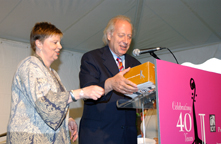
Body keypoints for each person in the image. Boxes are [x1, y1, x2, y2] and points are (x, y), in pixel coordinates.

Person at [6, 22, 104, 144]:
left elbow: (53, 108)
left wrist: (67, 120)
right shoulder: (30, 65)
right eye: (55, 42)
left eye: (60, 42)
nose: (60, 46)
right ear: (39, 43)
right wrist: (81, 93)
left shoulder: (53, 73)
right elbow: (44, 101)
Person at [79, 15, 141, 144]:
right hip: (99, 136)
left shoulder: (135, 63)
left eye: (129, 36)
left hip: (128, 137)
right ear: (109, 35)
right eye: (121, 35)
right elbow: (87, 94)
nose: (126, 41)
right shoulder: (91, 58)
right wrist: (110, 84)